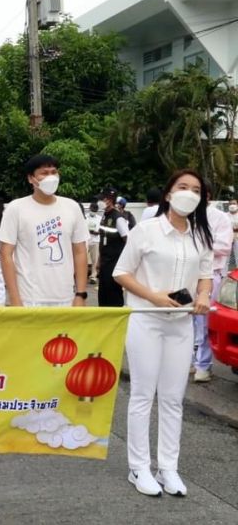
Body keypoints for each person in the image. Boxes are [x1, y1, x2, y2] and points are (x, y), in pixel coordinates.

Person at [113, 169, 213, 498]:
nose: (189, 193)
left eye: (195, 189)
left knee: (173, 399)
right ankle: (138, 467)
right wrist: (153, 295)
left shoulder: (201, 234)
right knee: (143, 394)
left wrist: (201, 297)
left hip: (181, 323)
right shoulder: (147, 230)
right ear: (169, 193)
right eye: (182, 187)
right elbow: (121, 272)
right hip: (147, 319)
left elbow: (205, 274)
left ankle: (168, 467)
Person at [0, 154, 89, 307]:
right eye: (44, 173)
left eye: (54, 172)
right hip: (30, 299)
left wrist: (80, 295)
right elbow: (5, 254)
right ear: (31, 179)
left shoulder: (71, 207)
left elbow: (80, 252)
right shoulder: (16, 208)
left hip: (65, 297)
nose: (51, 177)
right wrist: (15, 299)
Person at [192, 181, 232, 383]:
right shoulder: (185, 216)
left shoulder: (220, 217)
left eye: (197, 192)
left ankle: (203, 365)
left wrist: (197, 247)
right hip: (186, 275)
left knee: (204, 322)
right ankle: (191, 361)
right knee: (186, 321)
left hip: (210, 274)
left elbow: (224, 246)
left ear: (207, 196)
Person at [97, 188, 129, 307]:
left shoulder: (118, 218)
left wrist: (126, 263)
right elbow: (103, 239)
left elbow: (128, 240)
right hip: (105, 261)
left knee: (113, 292)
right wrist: (99, 260)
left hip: (114, 262)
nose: (99, 201)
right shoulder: (105, 216)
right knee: (103, 293)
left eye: (102, 198)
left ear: (109, 200)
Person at [86, 200, 102, 284]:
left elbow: (101, 230)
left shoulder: (100, 219)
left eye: (95, 210)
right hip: (86, 240)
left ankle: (93, 276)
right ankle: (82, 275)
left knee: (95, 260)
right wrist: (89, 231)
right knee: (83, 259)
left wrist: (97, 232)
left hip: (95, 240)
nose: (93, 211)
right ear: (90, 208)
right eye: (92, 209)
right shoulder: (85, 217)